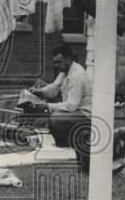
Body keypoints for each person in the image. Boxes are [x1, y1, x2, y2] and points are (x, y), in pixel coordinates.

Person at [28, 44, 93, 172]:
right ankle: (79, 153)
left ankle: (69, 144)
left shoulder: (77, 75)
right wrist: (38, 92)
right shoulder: (65, 71)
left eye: (59, 62)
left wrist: (46, 106)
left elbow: (71, 105)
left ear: (68, 59)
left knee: (56, 119)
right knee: (57, 119)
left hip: (86, 114)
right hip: (76, 113)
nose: (56, 65)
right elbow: (54, 88)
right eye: (54, 62)